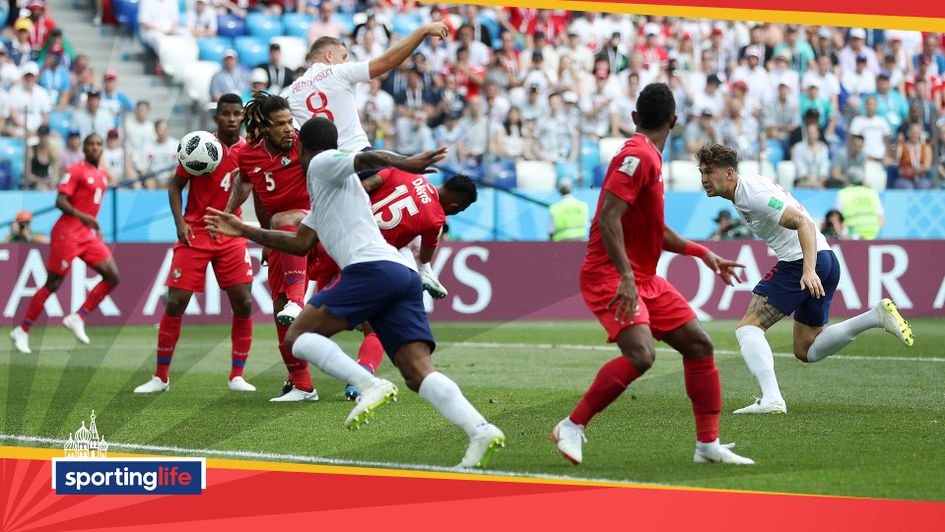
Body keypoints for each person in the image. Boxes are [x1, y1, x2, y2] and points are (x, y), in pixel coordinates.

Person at [204, 117, 506, 469]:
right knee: (416, 371)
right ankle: (479, 429)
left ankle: (369, 384)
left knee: (298, 336)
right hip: (402, 272)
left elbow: (363, 159)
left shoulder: (319, 163)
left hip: (372, 268)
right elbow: (299, 243)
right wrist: (244, 230)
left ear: (301, 147)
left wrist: (405, 162)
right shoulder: (327, 192)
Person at [549, 83, 754, 466]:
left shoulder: (649, 158)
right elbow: (609, 219)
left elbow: (654, 230)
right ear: (674, 121)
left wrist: (702, 252)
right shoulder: (638, 155)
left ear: (635, 117)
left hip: (642, 278)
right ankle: (572, 425)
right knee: (642, 354)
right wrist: (626, 277)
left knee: (699, 345)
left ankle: (708, 446)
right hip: (610, 274)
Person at [697, 143, 912, 414]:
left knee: (747, 328)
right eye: (701, 172)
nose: (704, 178)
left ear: (728, 173)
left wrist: (808, 270)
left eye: (709, 172)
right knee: (806, 349)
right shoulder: (743, 192)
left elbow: (804, 223)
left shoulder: (752, 194)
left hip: (803, 261)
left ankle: (772, 399)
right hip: (825, 259)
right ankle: (874, 317)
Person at [310, 169, 478, 400]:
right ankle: (360, 377)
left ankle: (299, 379)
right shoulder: (436, 217)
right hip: (365, 259)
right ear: (455, 205)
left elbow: (367, 184)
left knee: (311, 319)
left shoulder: (405, 173)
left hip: (334, 239)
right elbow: (426, 256)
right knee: (377, 328)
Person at [134, 94, 255, 394]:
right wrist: (180, 222)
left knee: (244, 303)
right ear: (216, 118)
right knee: (176, 302)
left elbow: (248, 185)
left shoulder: (249, 152)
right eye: (225, 113)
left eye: (236, 113)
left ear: (243, 117)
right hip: (196, 234)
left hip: (230, 233)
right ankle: (160, 377)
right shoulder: (198, 146)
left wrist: (228, 216)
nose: (231, 118)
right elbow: (175, 186)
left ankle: (237, 375)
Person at [225, 94, 318, 401]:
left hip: (318, 221)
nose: (289, 129)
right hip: (283, 231)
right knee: (280, 314)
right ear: (264, 128)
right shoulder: (249, 157)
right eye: (280, 124)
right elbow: (255, 195)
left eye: (290, 121)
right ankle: (303, 385)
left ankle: (298, 299)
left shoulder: (304, 143)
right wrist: (265, 237)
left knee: (285, 217)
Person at [10, 134, 121, 354]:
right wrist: (83, 217)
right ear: (84, 149)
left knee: (113, 276)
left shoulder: (103, 175)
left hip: (87, 235)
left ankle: (78, 317)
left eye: (99, 144)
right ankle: (22, 330)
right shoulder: (75, 171)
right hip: (67, 234)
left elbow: (91, 207)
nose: (95, 148)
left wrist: (93, 225)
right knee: (53, 283)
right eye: (91, 145)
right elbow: (59, 201)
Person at [283, 22, 449, 148]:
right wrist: (423, 30)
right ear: (328, 56)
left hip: (322, 168)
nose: (346, 60)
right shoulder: (339, 71)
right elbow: (389, 61)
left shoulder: (289, 93)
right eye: (343, 56)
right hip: (355, 155)